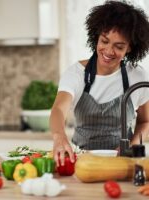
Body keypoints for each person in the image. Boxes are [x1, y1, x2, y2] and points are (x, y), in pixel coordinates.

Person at [50, 0, 149, 166]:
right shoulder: (76, 74)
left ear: (129, 48)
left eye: (119, 46)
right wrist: (59, 137)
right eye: (104, 41)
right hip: (81, 161)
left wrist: (132, 146)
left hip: (122, 162)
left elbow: (145, 121)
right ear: (96, 37)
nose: (109, 51)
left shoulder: (137, 77)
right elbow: (59, 109)